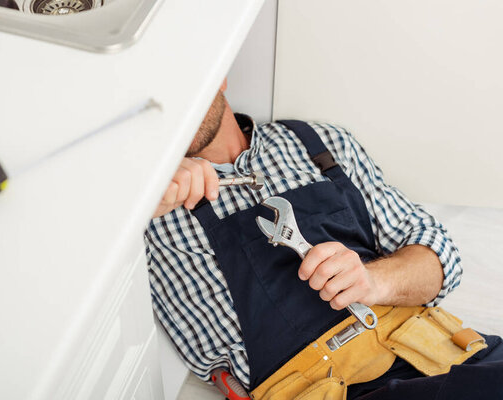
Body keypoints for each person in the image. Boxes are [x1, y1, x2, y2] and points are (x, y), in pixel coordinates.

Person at [144, 80, 503, 399]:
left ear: (219, 75)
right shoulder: (138, 206)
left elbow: (441, 257)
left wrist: (374, 281)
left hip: (453, 358)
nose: (171, 103)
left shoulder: (319, 143)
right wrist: (137, 204)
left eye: (180, 77)